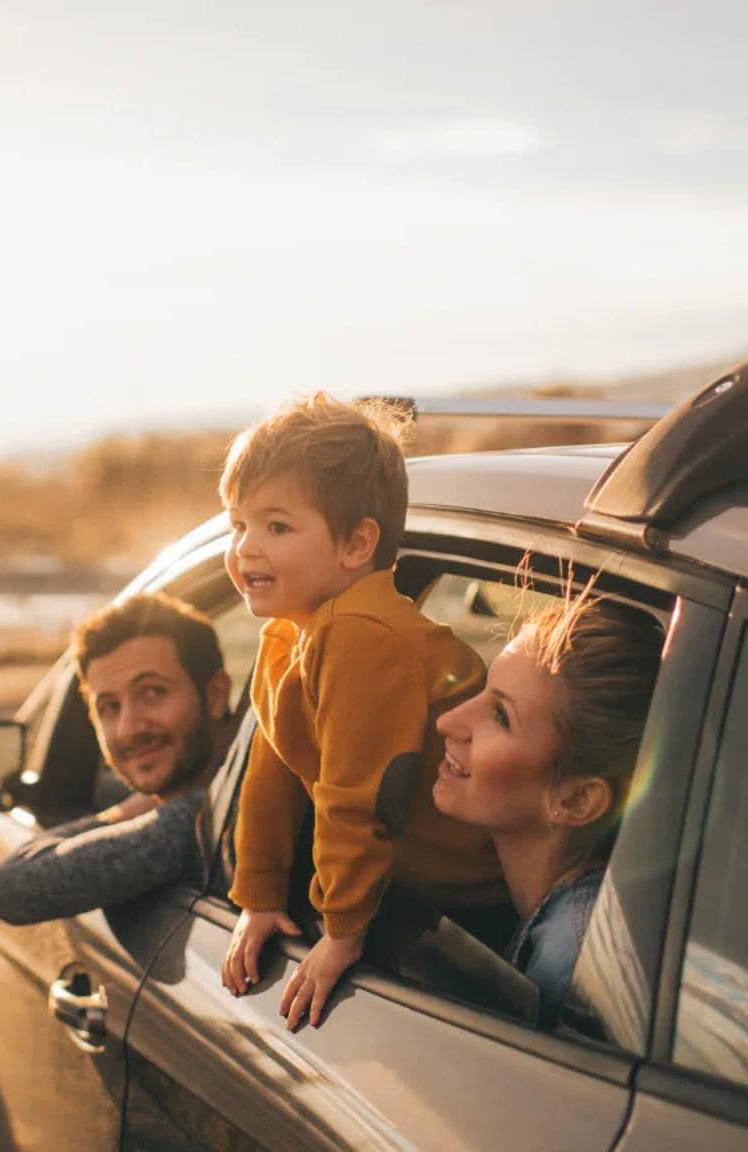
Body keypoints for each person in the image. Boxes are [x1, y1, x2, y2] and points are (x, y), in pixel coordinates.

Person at [217, 394, 505, 1031]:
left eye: (276, 527)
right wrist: (260, 896)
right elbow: (273, 771)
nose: (246, 549)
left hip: (475, 897)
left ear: (355, 545)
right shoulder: (292, 634)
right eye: (237, 525)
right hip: (417, 888)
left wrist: (342, 931)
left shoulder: (359, 636)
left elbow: (357, 795)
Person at [432, 592, 664, 1022]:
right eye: (483, 690)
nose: (448, 721)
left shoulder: (570, 965)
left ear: (576, 800)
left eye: (500, 716)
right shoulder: (578, 917)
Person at [0, 593, 235, 925]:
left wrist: (127, 812)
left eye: (153, 692)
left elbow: (9, 889)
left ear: (215, 695)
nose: (129, 730)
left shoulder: (207, 819)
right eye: (110, 708)